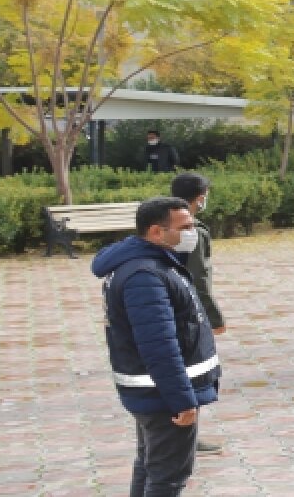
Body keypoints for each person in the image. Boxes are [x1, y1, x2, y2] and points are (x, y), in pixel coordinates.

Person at [91, 197, 221, 496]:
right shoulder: (145, 276)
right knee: (167, 476)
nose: (192, 233)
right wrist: (182, 400)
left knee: (151, 465)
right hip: (162, 394)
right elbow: (158, 345)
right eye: (185, 227)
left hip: (158, 391)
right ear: (156, 232)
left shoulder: (157, 264)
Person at [168, 173, 225, 456]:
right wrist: (214, 317)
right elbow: (198, 278)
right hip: (187, 308)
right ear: (199, 197)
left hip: (165, 302)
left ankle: (178, 434)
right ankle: (186, 436)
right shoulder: (193, 231)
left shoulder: (161, 222)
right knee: (193, 371)